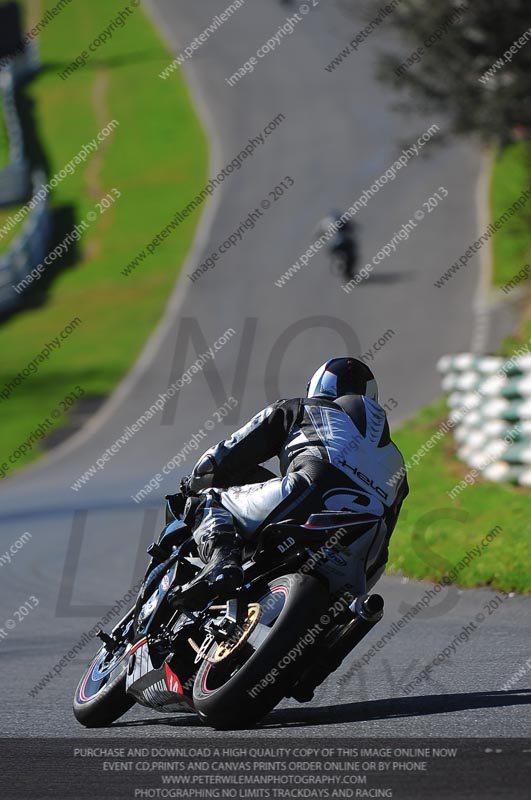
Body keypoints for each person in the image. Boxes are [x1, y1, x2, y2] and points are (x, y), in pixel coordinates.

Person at [178, 358, 408, 602]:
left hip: (309, 489)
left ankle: (221, 562)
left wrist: (194, 483)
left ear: (316, 387)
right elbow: (382, 551)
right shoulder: (398, 464)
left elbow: (218, 460)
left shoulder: (299, 408)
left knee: (209, 500)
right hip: (365, 539)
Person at [315, 211, 358, 281]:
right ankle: (348, 272)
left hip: (332, 247)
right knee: (353, 255)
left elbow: (317, 234)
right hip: (344, 243)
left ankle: (340, 265)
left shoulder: (323, 222)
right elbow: (352, 228)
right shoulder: (342, 220)